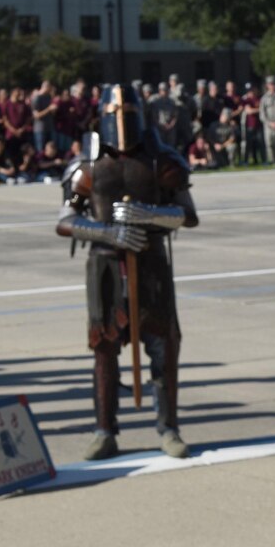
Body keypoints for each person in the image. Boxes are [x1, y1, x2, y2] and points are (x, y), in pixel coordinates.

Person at [55, 84, 199, 461]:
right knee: (104, 348)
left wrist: (148, 215)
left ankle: (168, 427)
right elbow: (66, 220)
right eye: (115, 114)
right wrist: (107, 231)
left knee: (163, 345)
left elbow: (187, 213)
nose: (122, 123)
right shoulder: (85, 164)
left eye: (129, 114)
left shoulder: (160, 160)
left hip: (150, 260)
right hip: (104, 263)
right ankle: (105, 430)